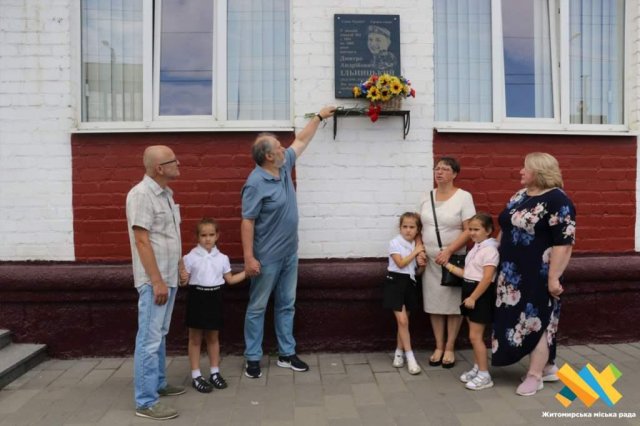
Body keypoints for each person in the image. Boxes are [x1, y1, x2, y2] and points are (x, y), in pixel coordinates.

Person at [241, 106, 336, 379]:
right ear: (269, 156)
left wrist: (318, 117)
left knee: (286, 303)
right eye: (279, 148)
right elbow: (247, 221)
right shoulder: (255, 183)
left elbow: (302, 140)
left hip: (289, 254)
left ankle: (286, 353)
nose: (285, 149)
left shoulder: (283, 167)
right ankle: (253, 357)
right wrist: (249, 258)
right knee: (257, 306)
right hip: (266, 257)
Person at [491, 152, 576, 396]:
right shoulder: (520, 196)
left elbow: (564, 243)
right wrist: (493, 256)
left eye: (524, 168)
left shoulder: (558, 201)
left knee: (538, 322)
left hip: (539, 274)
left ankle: (535, 376)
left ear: (538, 172)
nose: (520, 171)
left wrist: (553, 277)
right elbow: (505, 229)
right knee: (520, 320)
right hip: (511, 274)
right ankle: (548, 367)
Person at [126, 145, 185, 421]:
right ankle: (146, 401)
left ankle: (159, 383)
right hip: (155, 281)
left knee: (159, 333)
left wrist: (180, 267)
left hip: (168, 277)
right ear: (160, 168)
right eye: (173, 161)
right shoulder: (141, 195)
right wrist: (157, 280)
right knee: (149, 339)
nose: (179, 163)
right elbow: (142, 240)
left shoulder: (166, 194)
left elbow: (171, 236)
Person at [419, 157, 476, 369]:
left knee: (452, 305)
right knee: (434, 303)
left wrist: (449, 250)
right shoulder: (426, 196)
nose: (439, 172)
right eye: (437, 168)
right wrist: (419, 250)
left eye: (445, 169)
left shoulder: (463, 197)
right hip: (431, 260)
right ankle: (439, 346)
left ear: (454, 174)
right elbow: (418, 226)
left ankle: (450, 347)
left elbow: (469, 229)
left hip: (452, 259)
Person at [181, 218, 246, 393]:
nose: (207, 239)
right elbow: (184, 281)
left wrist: (247, 272)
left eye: (211, 235)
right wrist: (182, 278)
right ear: (197, 237)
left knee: (213, 338)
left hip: (215, 297)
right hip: (197, 297)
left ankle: (214, 372)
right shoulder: (189, 257)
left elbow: (230, 279)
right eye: (203, 235)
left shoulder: (223, 258)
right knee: (195, 339)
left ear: (217, 236)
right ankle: (196, 375)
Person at [443, 213, 499, 391]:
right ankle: (477, 367)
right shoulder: (476, 247)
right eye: (470, 229)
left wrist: (474, 297)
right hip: (468, 292)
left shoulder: (490, 250)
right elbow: (468, 273)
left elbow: (487, 277)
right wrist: (447, 265)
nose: (472, 233)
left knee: (475, 337)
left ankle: (484, 375)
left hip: (479, 295)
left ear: (488, 231)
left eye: (476, 229)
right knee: (474, 336)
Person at [385, 212, 426, 375]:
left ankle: (398, 352)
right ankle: (411, 358)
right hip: (395, 282)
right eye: (405, 226)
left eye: (412, 227)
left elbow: (417, 272)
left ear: (417, 230)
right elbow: (401, 263)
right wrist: (417, 252)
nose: (408, 230)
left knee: (404, 322)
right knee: (402, 320)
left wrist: (422, 264)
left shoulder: (415, 245)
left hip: (409, 283)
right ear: (400, 227)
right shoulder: (395, 243)